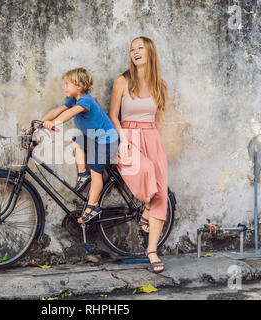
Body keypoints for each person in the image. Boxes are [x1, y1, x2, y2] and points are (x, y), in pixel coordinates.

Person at [109, 36, 169, 273]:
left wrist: (160, 149)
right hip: (128, 137)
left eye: (139, 48)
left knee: (161, 193)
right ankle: (146, 206)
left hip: (152, 137)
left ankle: (152, 251)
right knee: (145, 170)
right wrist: (122, 139)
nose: (135, 51)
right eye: (132, 49)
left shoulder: (161, 85)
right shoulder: (122, 82)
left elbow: (159, 121)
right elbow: (113, 114)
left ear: (150, 52)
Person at [40, 67, 118, 224]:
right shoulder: (73, 100)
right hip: (94, 139)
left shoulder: (85, 101)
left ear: (79, 86)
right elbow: (58, 110)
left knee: (96, 172)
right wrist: (39, 123)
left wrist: (54, 123)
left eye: (67, 84)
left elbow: (69, 113)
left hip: (106, 141)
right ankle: (83, 174)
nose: (65, 87)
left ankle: (93, 206)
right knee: (77, 141)